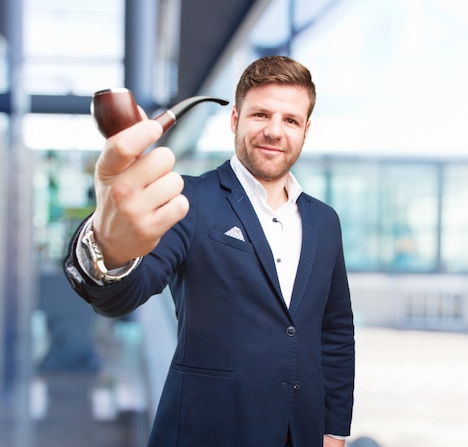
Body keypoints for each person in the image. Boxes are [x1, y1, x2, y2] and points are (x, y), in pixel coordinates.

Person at [64, 55, 355, 447]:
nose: (274, 130)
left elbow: (335, 333)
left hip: (299, 433)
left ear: (305, 130)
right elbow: (126, 292)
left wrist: (334, 430)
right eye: (260, 115)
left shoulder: (325, 221)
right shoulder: (189, 200)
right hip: (209, 430)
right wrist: (107, 248)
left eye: (290, 120)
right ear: (235, 120)